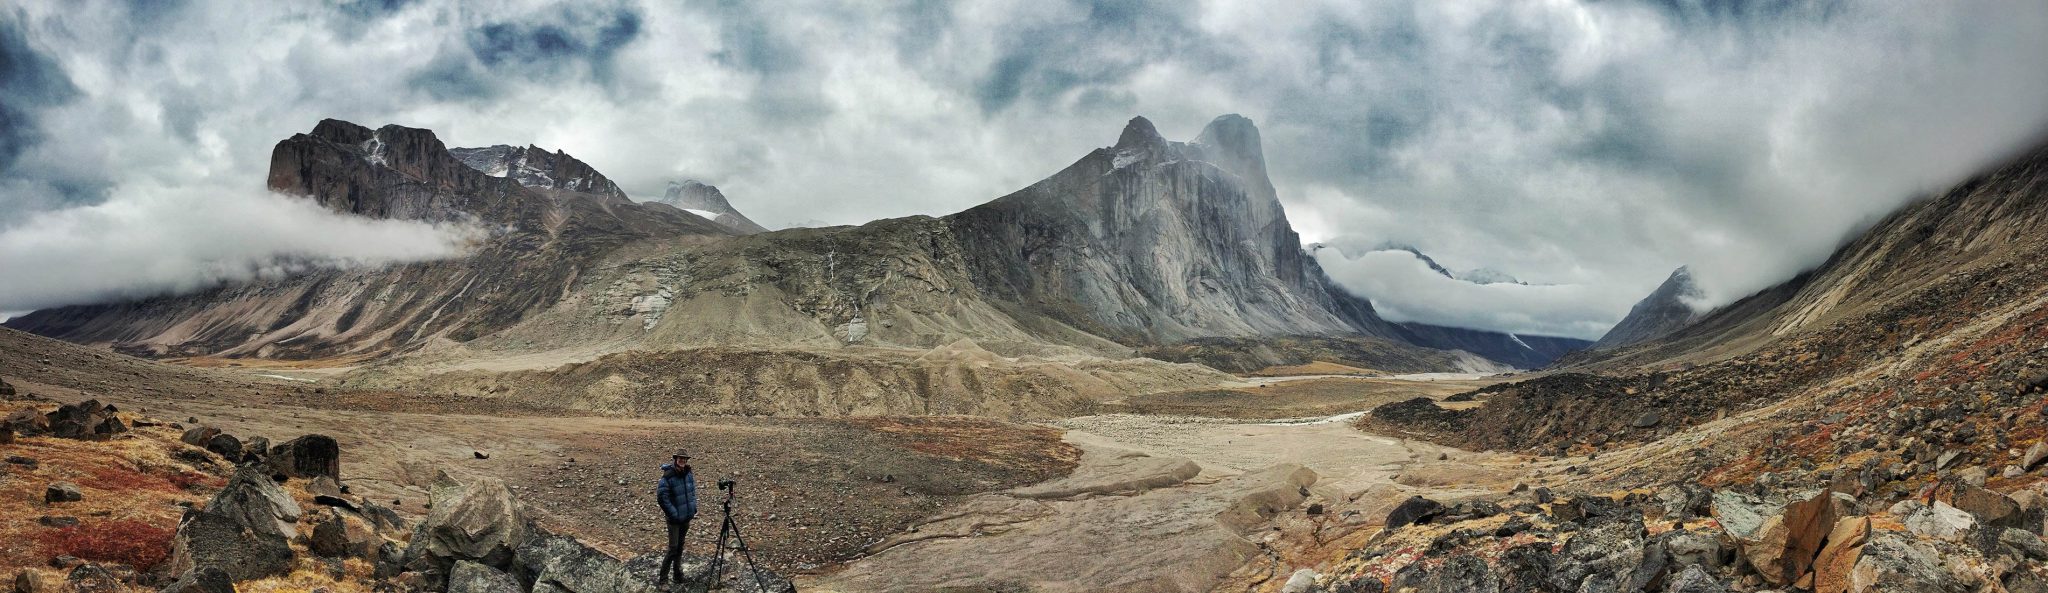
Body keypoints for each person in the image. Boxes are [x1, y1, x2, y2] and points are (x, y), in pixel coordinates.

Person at [655, 448, 698, 587]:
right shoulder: (668, 476)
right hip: (674, 520)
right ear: (675, 459)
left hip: (685, 517)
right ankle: (663, 580)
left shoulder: (688, 473)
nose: (682, 461)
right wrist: (673, 514)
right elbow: (662, 497)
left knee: (680, 546)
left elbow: (692, 492)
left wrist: (693, 509)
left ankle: (677, 575)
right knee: (673, 548)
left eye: (684, 459)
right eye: (680, 458)